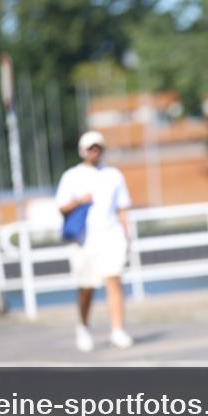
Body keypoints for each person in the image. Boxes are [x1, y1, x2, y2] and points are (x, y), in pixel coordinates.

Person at [56, 131, 134, 351]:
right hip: (84, 239)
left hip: (111, 235)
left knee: (114, 279)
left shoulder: (113, 175)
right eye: (91, 148)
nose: (95, 151)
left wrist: (126, 234)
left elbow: (122, 208)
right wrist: (80, 200)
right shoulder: (72, 176)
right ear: (83, 151)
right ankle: (83, 326)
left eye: (98, 147)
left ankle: (117, 330)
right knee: (87, 287)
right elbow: (61, 206)